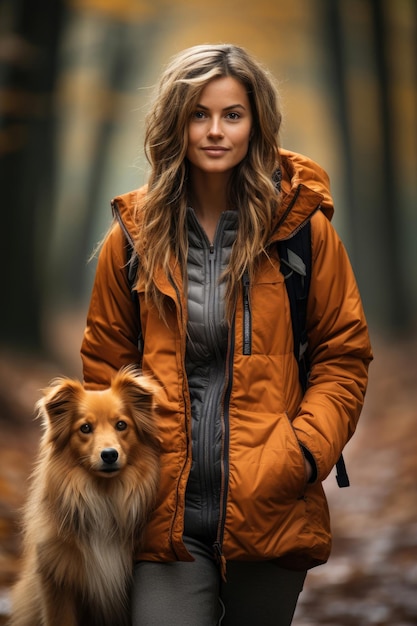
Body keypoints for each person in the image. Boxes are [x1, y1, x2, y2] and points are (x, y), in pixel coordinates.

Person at [81, 44, 373, 626]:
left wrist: (304, 452)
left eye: (232, 115)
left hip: (271, 508)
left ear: (256, 123)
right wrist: (132, 465)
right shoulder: (133, 238)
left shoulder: (303, 233)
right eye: (198, 114)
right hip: (160, 518)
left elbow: (343, 355)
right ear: (175, 123)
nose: (215, 131)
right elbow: (105, 368)